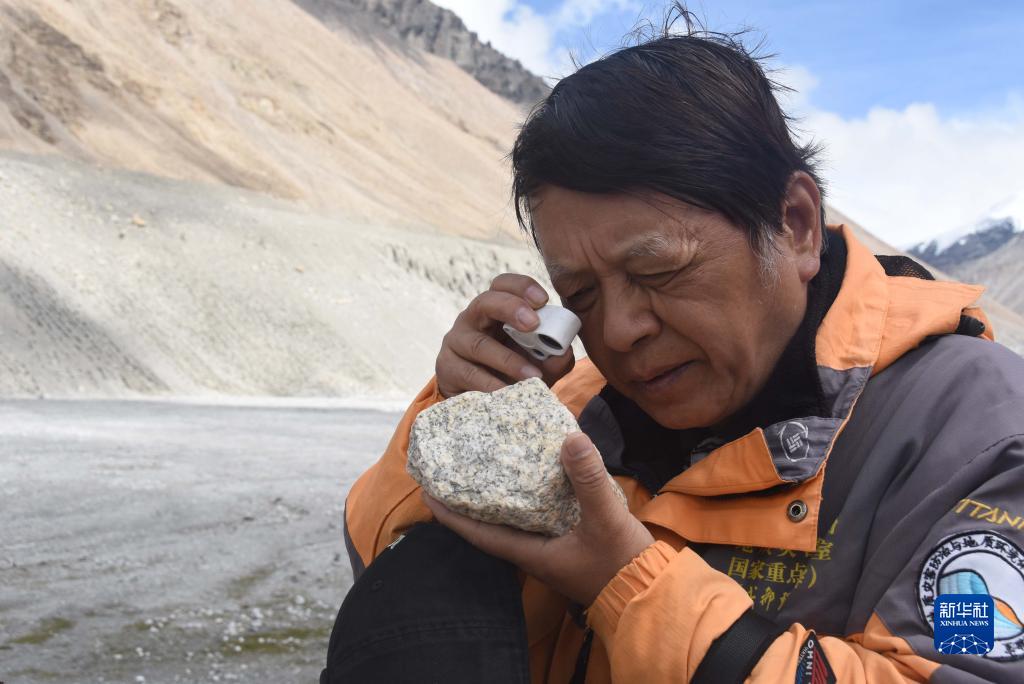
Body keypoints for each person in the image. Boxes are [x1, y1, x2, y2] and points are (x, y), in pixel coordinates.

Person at [324, 12, 1024, 684]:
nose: (619, 331)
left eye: (659, 272)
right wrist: (456, 425)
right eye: (582, 294)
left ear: (795, 225)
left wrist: (624, 582)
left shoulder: (981, 435)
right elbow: (384, 589)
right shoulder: (574, 409)